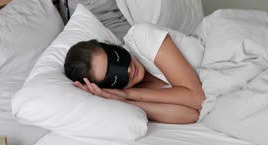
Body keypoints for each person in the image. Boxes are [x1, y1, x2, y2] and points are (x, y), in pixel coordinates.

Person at [64, 32, 205, 124]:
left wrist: (130, 93)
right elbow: (191, 115)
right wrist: (125, 100)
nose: (129, 69)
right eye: (115, 77)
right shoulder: (134, 92)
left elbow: (198, 100)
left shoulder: (142, 38)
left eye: (117, 58)